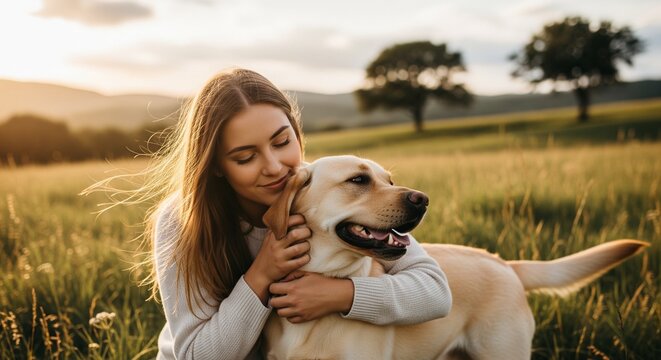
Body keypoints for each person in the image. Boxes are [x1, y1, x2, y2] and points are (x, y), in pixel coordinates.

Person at [95, 68, 452, 359]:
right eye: (245, 157)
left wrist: (339, 294)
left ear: (297, 133)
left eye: (282, 142)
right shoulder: (184, 218)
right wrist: (262, 272)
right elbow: (194, 356)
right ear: (216, 166)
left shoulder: (322, 191)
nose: (274, 167)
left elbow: (434, 292)